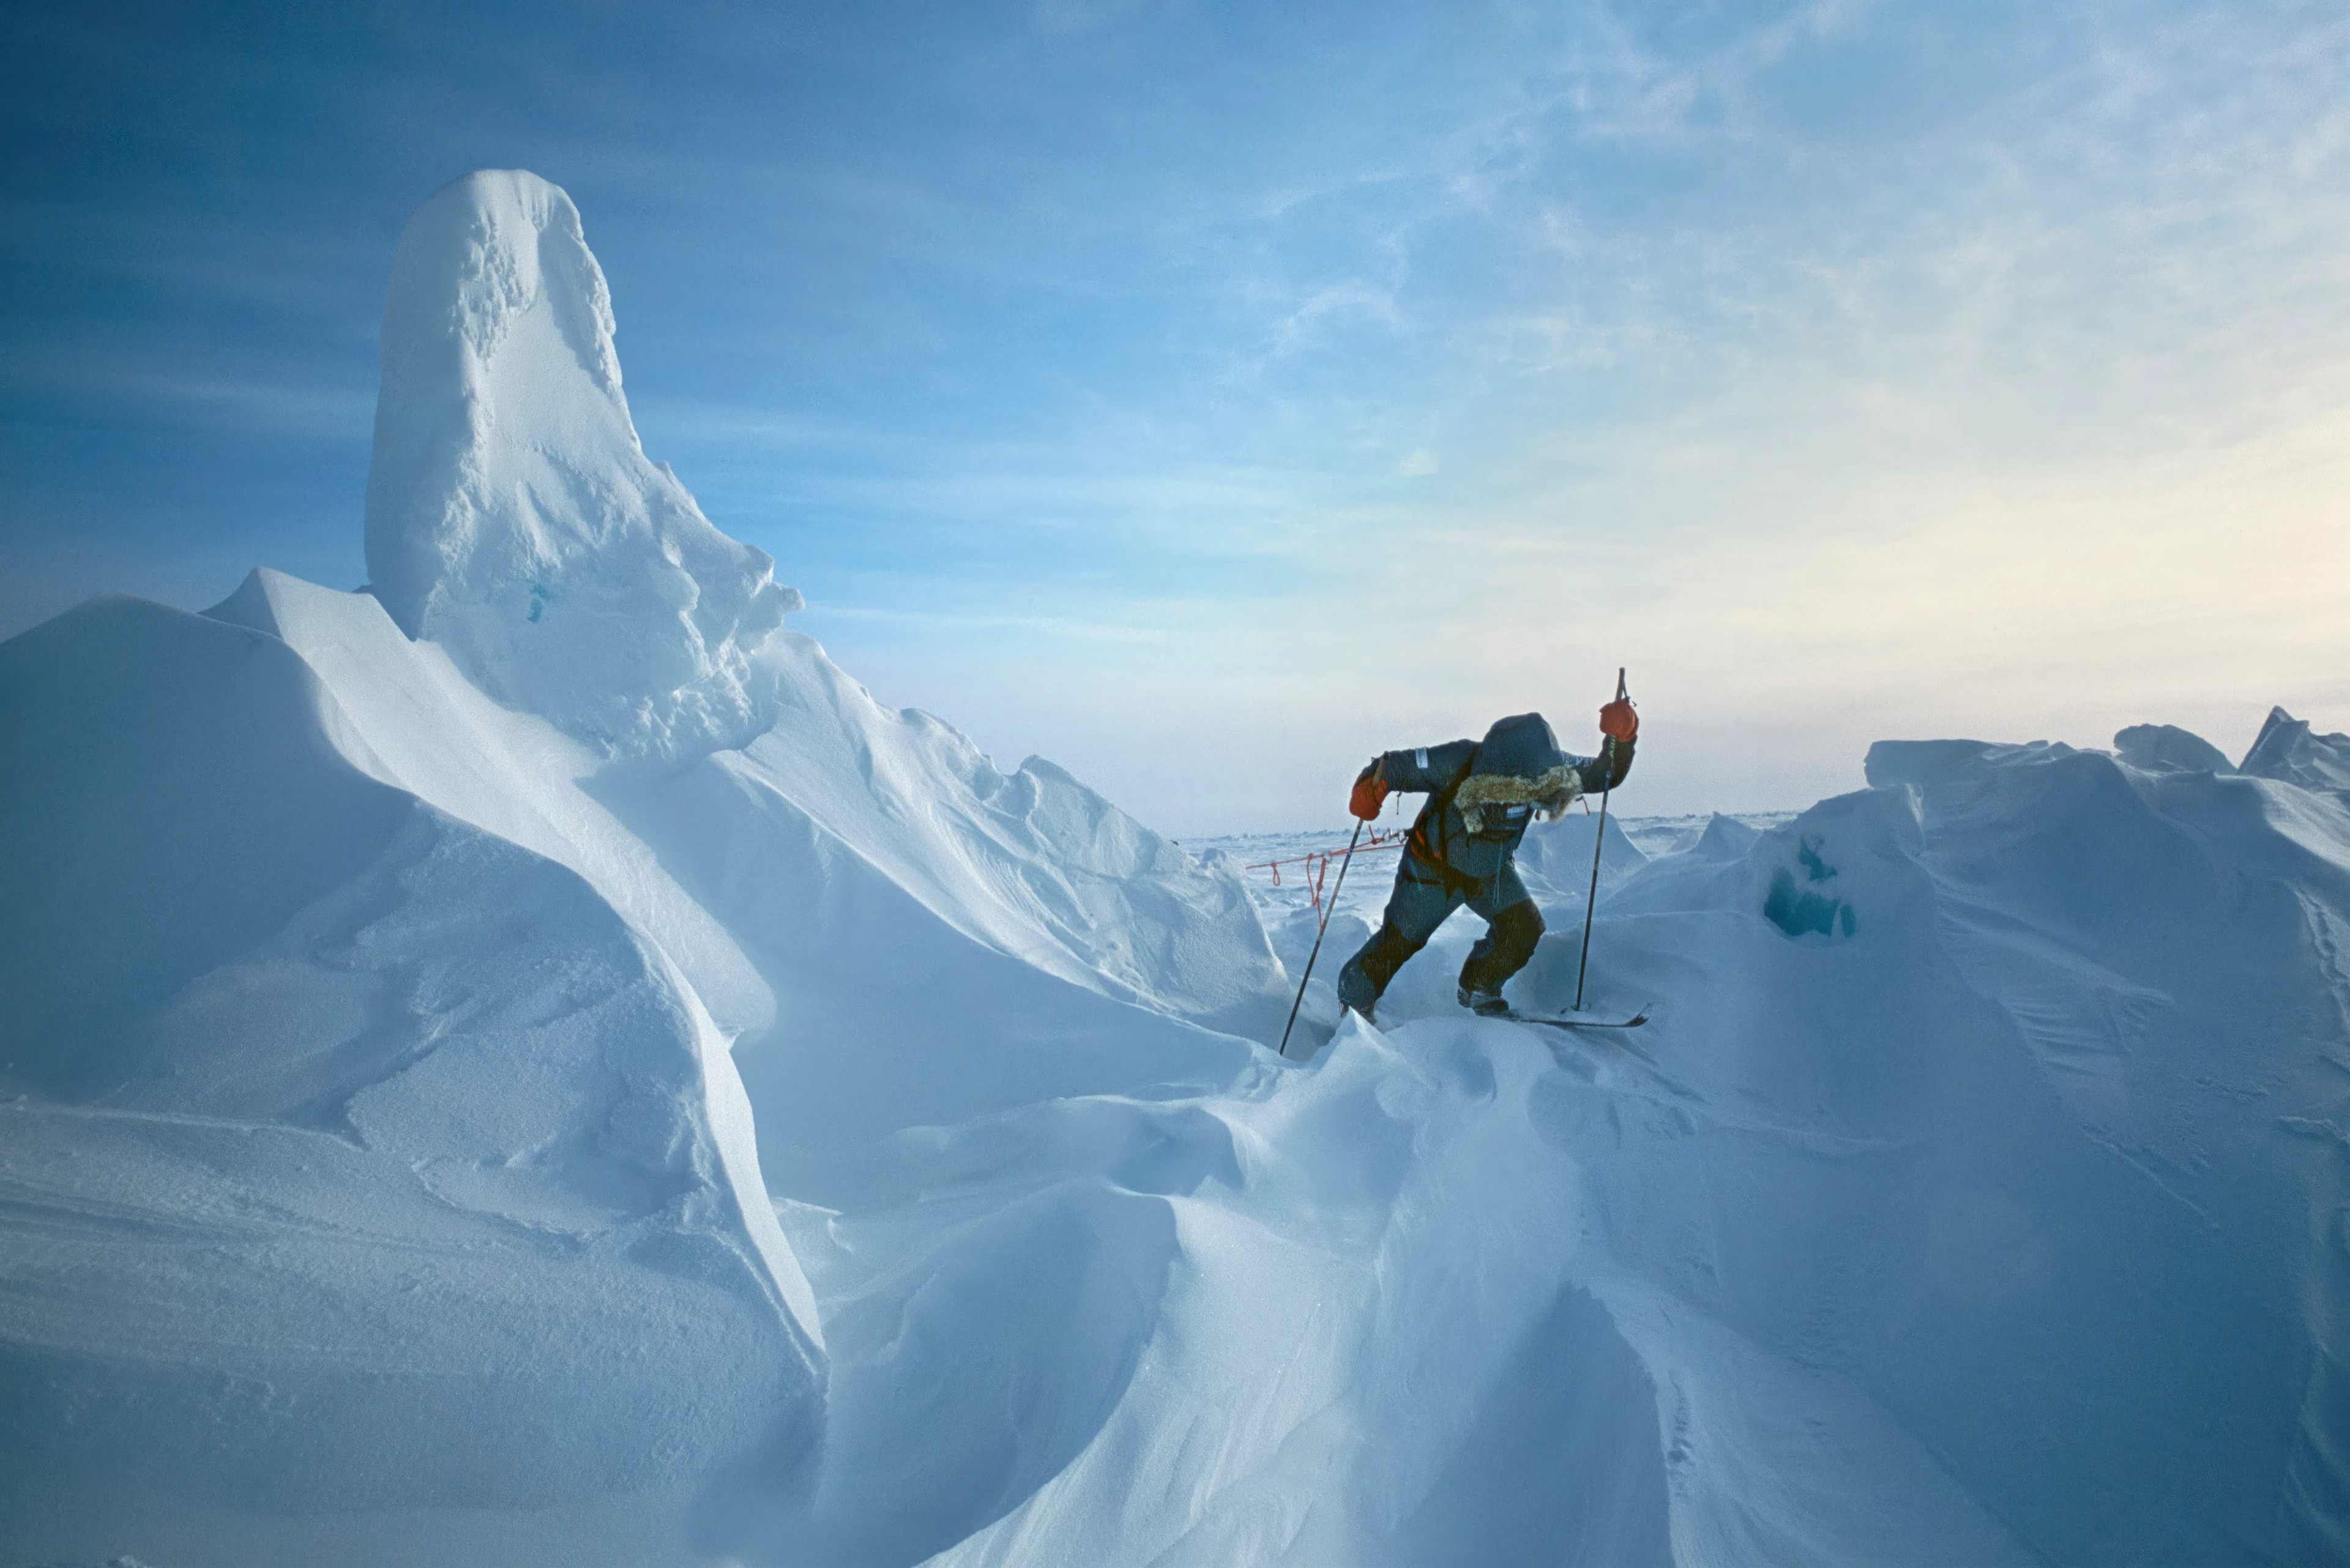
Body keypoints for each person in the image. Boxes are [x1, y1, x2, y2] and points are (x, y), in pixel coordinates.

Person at [1335, 698, 1638, 1022]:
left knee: (1523, 929)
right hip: (1432, 871)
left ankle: (1479, 987)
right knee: (1398, 943)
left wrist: (1622, 740)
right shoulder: (1456, 760)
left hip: (1491, 872)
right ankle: (1353, 1000)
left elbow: (1605, 774)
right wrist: (1369, 789)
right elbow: (1393, 766)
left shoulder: (1553, 769)